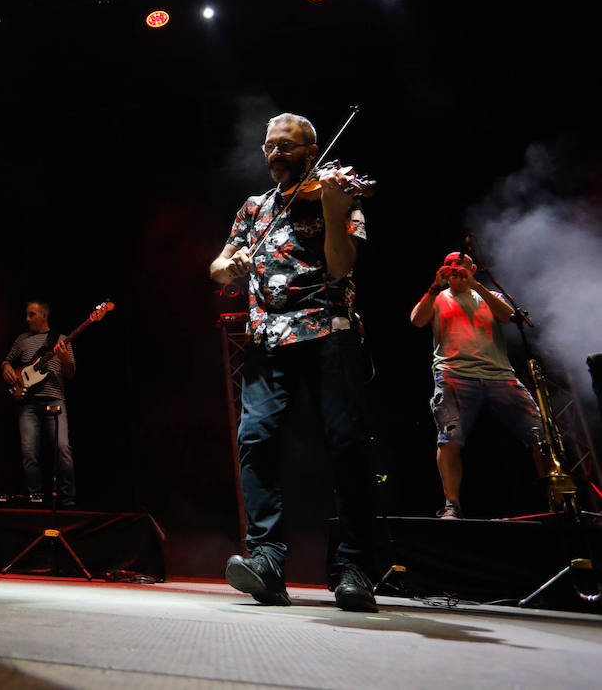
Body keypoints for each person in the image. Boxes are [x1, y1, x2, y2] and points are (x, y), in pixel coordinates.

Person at [209, 112, 379, 612]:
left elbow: (341, 264)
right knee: (255, 440)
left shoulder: (338, 192)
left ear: (311, 150)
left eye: (287, 146)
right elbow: (218, 267)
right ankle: (265, 562)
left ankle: (353, 568)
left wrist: (331, 210)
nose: (276, 154)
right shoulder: (253, 209)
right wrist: (229, 267)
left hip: (329, 330)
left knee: (346, 447)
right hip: (266, 340)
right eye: (269, 147)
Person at [409, 251, 544, 519]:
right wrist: (434, 287)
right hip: (453, 375)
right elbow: (417, 320)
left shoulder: (489, 295)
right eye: (448, 265)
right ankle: (452, 505)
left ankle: (558, 502)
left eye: (460, 264)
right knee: (450, 439)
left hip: (500, 375)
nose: (453, 269)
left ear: (472, 268)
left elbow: (508, 317)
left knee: (541, 435)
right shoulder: (437, 297)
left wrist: (476, 285)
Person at [0, 300, 77, 508]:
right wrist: (6, 367)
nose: (27, 319)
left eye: (32, 314)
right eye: (27, 314)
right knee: (29, 452)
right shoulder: (22, 340)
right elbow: (7, 361)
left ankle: (67, 501)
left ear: (44, 315)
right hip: (28, 403)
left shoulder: (61, 340)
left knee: (63, 448)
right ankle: (35, 498)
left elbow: (70, 374)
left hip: (54, 399)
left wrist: (65, 360)